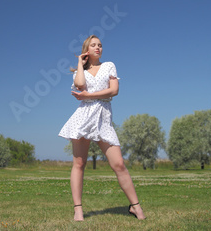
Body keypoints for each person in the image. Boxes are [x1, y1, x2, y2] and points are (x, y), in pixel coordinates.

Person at [58, 35, 146, 221]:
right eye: (93, 45)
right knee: (79, 164)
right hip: (83, 119)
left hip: (103, 120)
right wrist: (80, 64)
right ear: (86, 50)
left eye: (100, 45)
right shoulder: (78, 72)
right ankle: (78, 210)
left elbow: (114, 90)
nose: (98, 48)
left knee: (119, 164)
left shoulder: (109, 66)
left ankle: (136, 207)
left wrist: (89, 95)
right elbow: (80, 85)